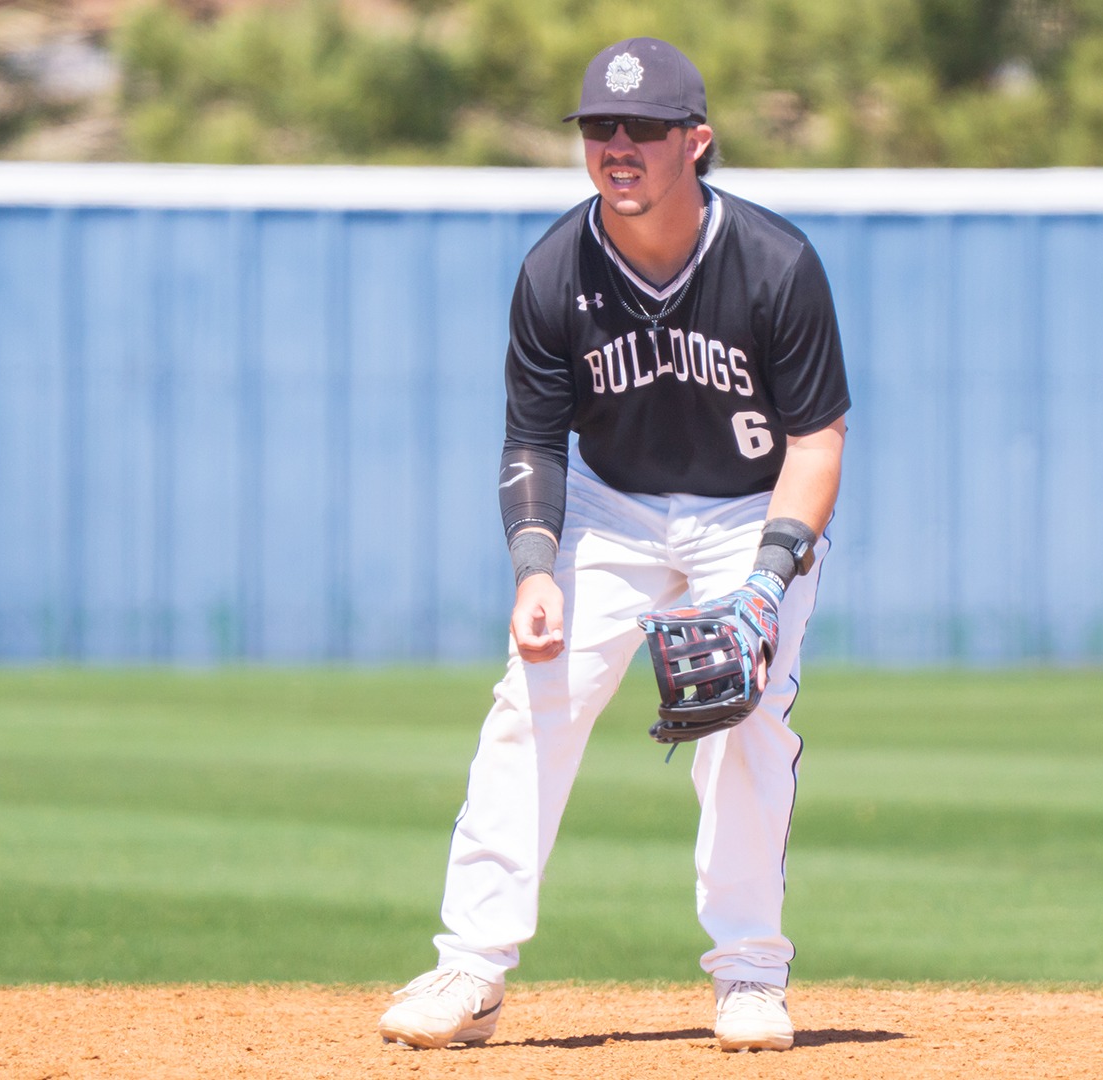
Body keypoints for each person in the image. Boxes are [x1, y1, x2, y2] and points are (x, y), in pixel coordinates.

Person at [377, 36, 849, 1054]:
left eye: (643, 128)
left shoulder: (775, 265)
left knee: (746, 715)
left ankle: (753, 975)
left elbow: (816, 443)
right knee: (532, 698)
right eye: (600, 127)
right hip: (610, 506)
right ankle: (471, 967)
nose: (619, 145)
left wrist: (768, 583)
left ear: (698, 142)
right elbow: (533, 438)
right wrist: (535, 566)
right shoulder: (556, 270)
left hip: (745, 512)